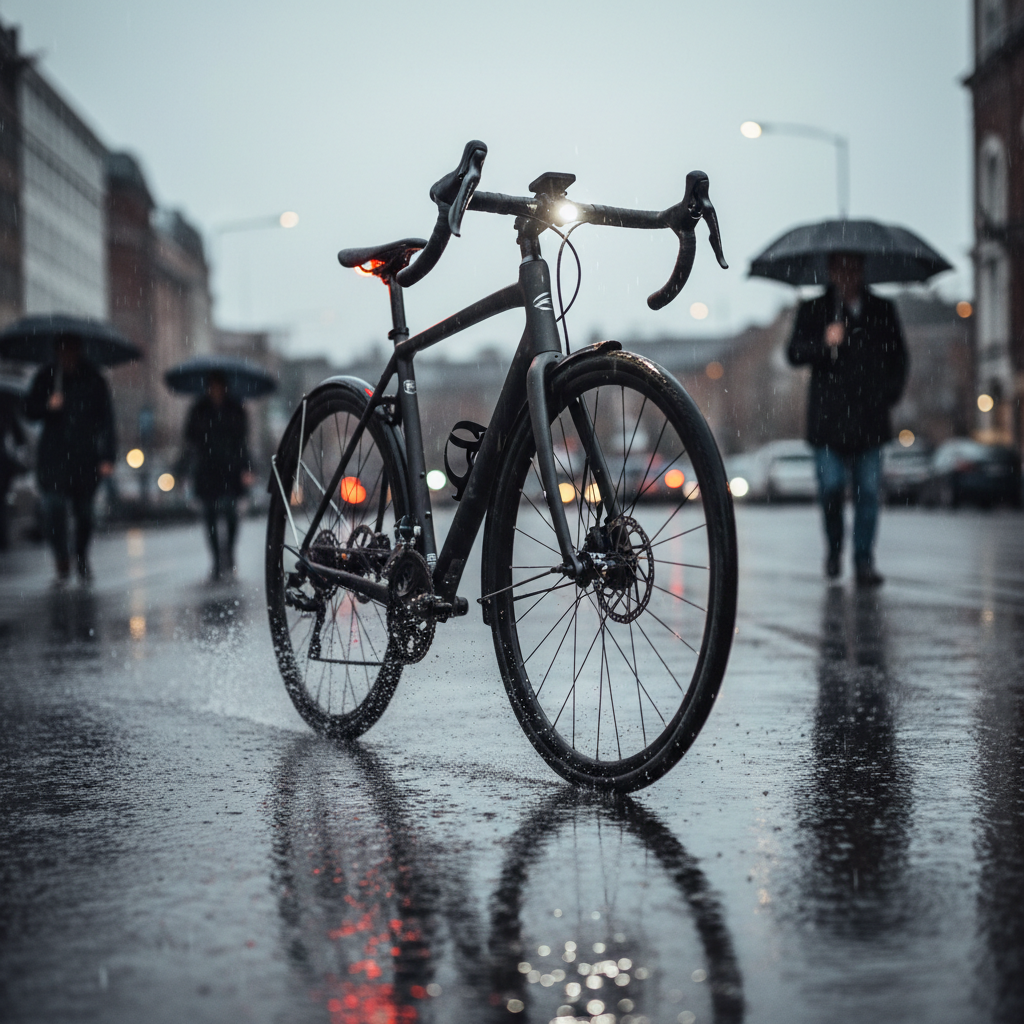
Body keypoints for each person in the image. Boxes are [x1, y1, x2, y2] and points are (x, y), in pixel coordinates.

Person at [787, 251, 907, 586]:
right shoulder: (815, 309)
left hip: (870, 420)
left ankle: (864, 560)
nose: (846, 274)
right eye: (840, 268)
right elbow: (794, 353)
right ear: (829, 270)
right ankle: (835, 549)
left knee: (868, 493)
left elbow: (900, 358)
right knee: (831, 488)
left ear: (862, 269)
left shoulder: (882, 310)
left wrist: (888, 395)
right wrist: (825, 343)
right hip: (828, 422)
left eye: (853, 267)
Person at [24, 335, 116, 583]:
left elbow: (107, 420)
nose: (67, 355)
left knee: (84, 512)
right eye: (62, 350)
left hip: (85, 457)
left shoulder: (94, 379)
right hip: (53, 457)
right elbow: (29, 411)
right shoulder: (46, 377)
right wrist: (48, 405)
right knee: (53, 507)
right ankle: (61, 558)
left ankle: (81, 556)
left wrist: (108, 456)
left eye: (71, 350)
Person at [182, 370, 253, 580]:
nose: (216, 390)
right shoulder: (199, 409)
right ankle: (216, 560)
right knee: (210, 516)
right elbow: (189, 438)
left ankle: (229, 553)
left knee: (231, 513)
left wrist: (246, 467)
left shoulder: (235, 409)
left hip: (231, 469)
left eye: (219, 386)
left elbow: (242, 442)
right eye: (212, 386)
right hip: (207, 469)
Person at [0, 389, 28, 551]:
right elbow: (19, 439)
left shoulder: (5, 408)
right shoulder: (6, 407)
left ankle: (3, 538)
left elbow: (19, 438)